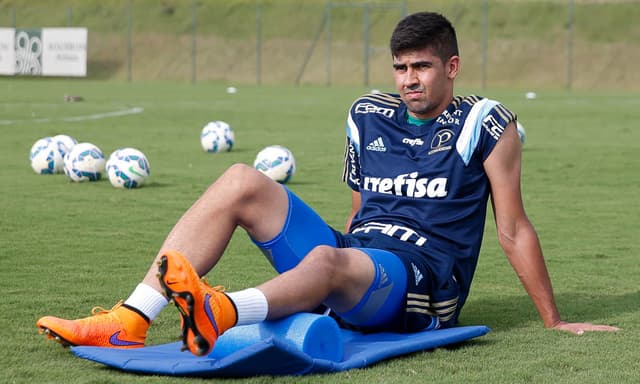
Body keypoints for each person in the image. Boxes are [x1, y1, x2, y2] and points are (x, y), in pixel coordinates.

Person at [37, 11, 618, 356]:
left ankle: (222, 312)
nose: (409, 79)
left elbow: (513, 230)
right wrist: (336, 277)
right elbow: (359, 211)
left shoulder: (486, 122)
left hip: (422, 285)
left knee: (327, 258)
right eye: (400, 66)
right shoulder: (366, 113)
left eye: (422, 66)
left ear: (452, 67)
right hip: (361, 261)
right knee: (243, 179)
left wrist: (555, 319)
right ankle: (131, 320)